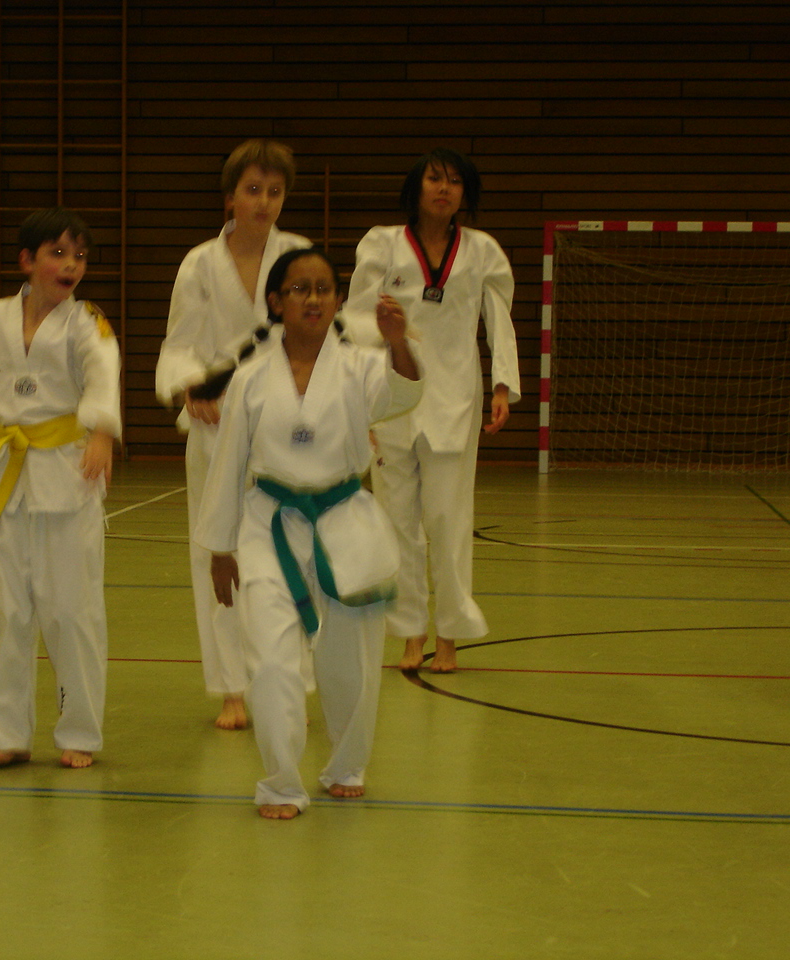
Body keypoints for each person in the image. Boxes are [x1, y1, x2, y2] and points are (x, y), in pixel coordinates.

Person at [194, 248, 422, 819]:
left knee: (352, 661)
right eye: (300, 288)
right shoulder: (250, 377)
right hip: (267, 522)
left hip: (345, 517)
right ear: (276, 302)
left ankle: (346, 765)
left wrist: (398, 343)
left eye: (324, 288)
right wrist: (220, 549)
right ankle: (280, 781)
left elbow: (404, 394)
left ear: (339, 300)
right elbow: (228, 464)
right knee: (271, 658)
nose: (314, 298)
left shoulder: (361, 366)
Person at [0, 207, 120, 769]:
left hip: (68, 475)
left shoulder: (87, 323)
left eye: (79, 256)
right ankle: (9, 733)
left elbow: (103, 374)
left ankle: (79, 730)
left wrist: (102, 432)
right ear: (27, 260)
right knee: (11, 611)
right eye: (58, 253)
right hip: (5, 479)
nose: (71, 265)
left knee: (72, 611)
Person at [341, 148, 520, 674]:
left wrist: (503, 385)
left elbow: (499, 319)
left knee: (447, 520)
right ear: (415, 188)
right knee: (396, 522)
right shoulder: (382, 244)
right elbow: (354, 320)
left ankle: (449, 635)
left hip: (454, 398)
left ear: (466, 193)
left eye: (455, 182)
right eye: (434, 179)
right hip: (391, 394)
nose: (444, 189)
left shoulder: (483, 251)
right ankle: (410, 633)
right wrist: (356, 398)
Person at [155, 139, 311, 730]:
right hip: (216, 423)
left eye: (274, 192)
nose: (264, 202)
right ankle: (232, 687)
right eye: (252, 190)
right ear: (230, 197)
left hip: (288, 422)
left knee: (292, 550)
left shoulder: (298, 257)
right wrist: (191, 387)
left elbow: (323, 337)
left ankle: (290, 677)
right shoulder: (200, 264)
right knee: (216, 552)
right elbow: (178, 346)